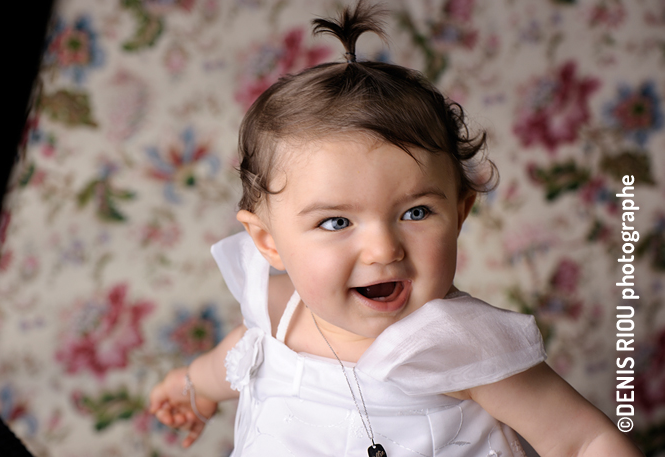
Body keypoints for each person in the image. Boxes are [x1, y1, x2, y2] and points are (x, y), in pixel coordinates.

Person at [149, 2, 643, 456]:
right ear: (268, 242)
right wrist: (192, 387)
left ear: (461, 211)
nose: (383, 249)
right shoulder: (278, 312)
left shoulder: (460, 343)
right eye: (337, 221)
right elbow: (238, 355)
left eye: (416, 213)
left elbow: (583, 440)